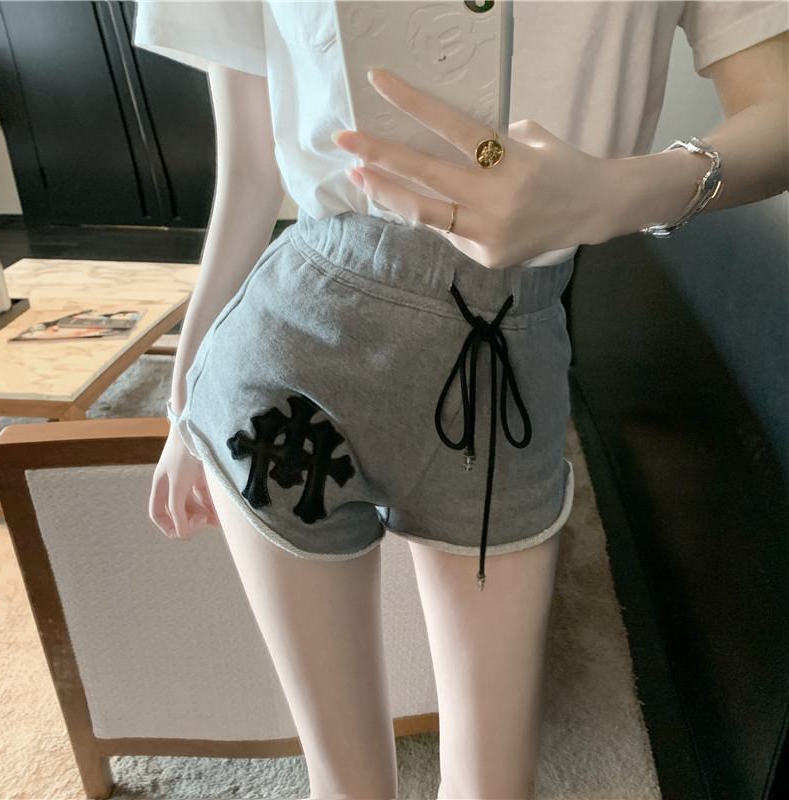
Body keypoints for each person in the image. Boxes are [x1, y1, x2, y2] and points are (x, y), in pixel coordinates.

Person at [132, 2, 788, 798]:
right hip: (290, 351)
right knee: (345, 787)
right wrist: (183, 408)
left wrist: (617, 192)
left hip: (506, 357)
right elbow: (247, 169)